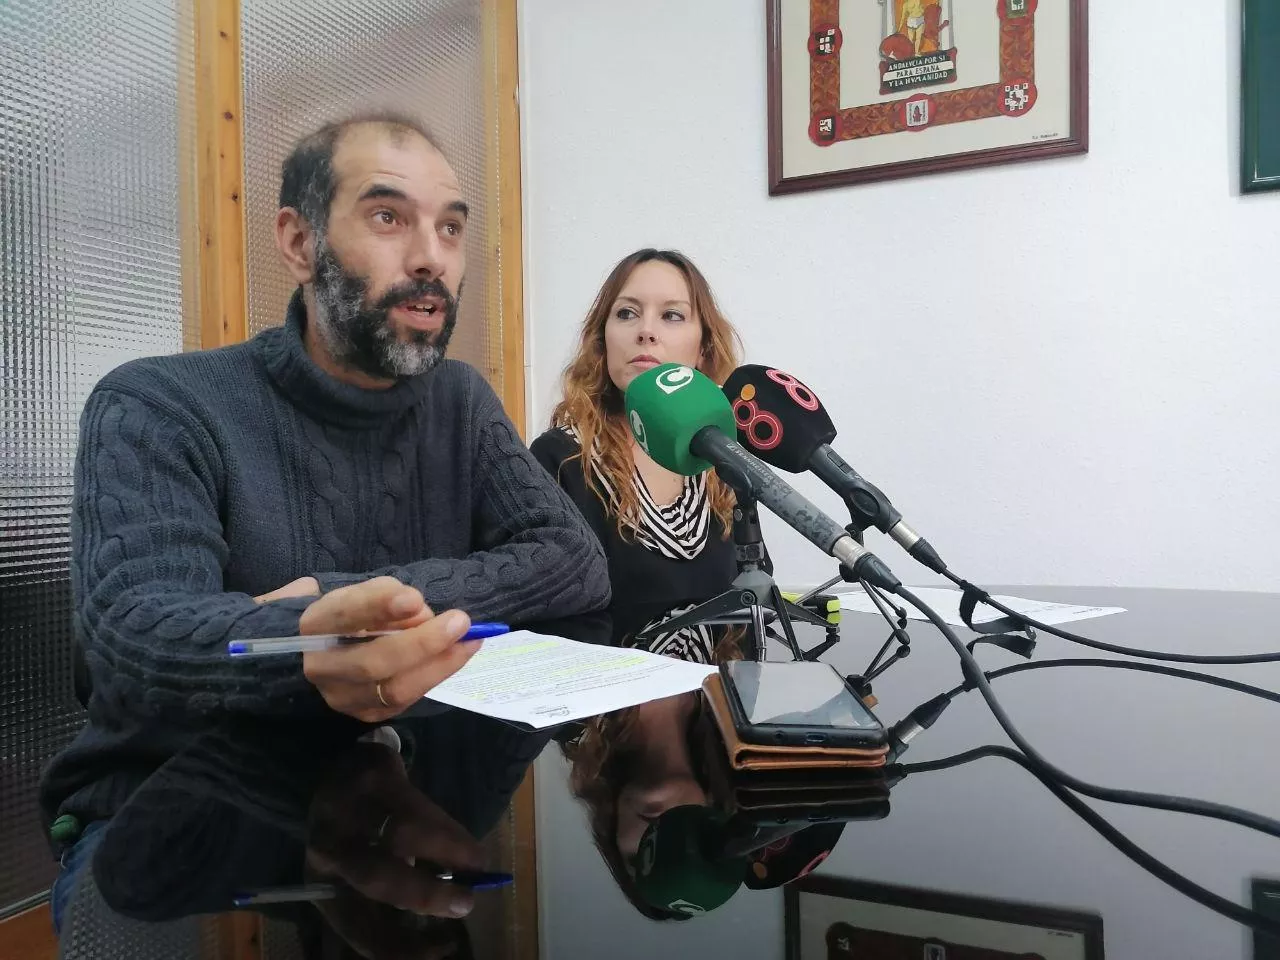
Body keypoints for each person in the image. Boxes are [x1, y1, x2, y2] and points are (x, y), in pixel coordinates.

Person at [40, 112, 609, 933]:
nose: (431, 258)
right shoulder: (156, 404)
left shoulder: (459, 399)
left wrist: (366, 598)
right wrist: (310, 646)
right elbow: (134, 630)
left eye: (450, 228)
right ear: (299, 243)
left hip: (410, 810)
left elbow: (571, 559)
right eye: (389, 218)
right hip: (172, 835)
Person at [530, 248, 745, 633]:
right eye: (627, 313)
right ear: (602, 340)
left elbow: (753, 606)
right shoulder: (558, 459)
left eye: (671, 316)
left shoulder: (724, 460)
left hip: (716, 689)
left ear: (703, 348)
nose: (646, 331)